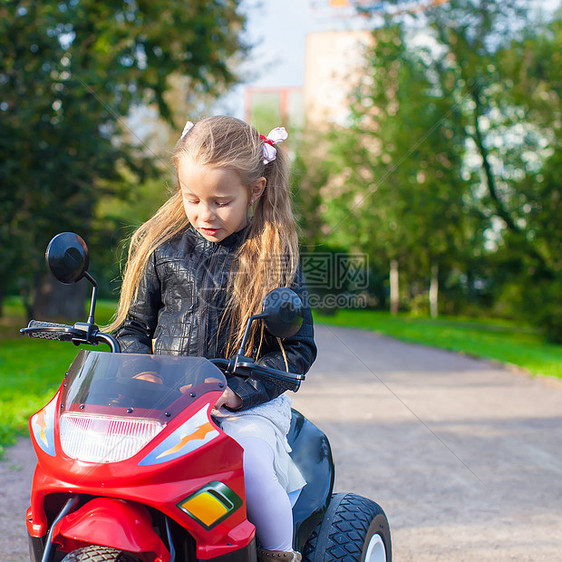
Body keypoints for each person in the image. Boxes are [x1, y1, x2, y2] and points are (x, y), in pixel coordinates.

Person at [109, 115, 317, 562]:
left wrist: (239, 393)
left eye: (222, 201)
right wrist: (141, 369)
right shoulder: (162, 249)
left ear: (255, 191)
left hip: (246, 405)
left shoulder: (273, 255)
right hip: (164, 398)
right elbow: (132, 327)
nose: (205, 213)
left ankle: (279, 553)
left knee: (251, 464)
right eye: (193, 199)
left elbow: (298, 349)